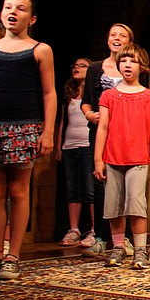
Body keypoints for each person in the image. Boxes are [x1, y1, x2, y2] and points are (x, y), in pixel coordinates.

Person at [0, 0, 56, 280]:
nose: (13, 12)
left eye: (21, 8)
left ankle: (13, 255)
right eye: (8, 7)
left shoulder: (40, 50)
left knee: (17, 191)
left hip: (24, 127)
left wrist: (48, 131)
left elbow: (49, 93)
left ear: (32, 18)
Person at [93, 43, 150, 269]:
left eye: (132, 61)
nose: (128, 65)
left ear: (142, 66)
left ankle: (140, 250)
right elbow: (102, 127)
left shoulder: (149, 96)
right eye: (124, 61)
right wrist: (98, 159)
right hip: (113, 158)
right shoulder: (108, 95)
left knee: (136, 204)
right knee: (114, 205)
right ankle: (118, 247)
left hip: (139, 158)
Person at [81, 22, 134, 258]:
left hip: (127, 134)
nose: (116, 38)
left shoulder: (132, 66)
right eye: (112, 34)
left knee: (128, 186)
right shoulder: (95, 68)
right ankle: (102, 236)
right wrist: (88, 113)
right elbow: (86, 100)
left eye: (122, 35)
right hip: (100, 132)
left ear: (129, 42)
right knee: (101, 183)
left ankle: (126, 239)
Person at [55, 57, 96, 247]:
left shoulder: (92, 93)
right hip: (70, 145)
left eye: (82, 66)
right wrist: (59, 145)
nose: (76, 68)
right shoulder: (69, 93)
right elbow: (63, 121)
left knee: (90, 189)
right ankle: (74, 229)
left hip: (88, 144)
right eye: (75, 65)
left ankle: (95, 229)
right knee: (73, 190)